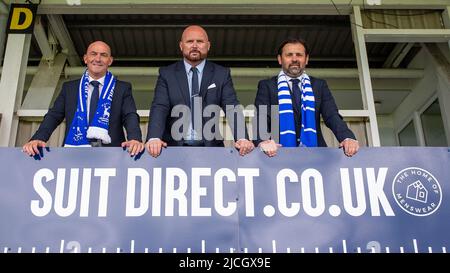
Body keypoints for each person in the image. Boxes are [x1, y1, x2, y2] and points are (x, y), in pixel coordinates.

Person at [145, 25, 254, 157]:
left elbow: (231, 107)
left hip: (211, 151)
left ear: (208, 46)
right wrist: (154, 138)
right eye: (190, 41)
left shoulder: (221, 74)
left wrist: (242, 138)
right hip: (173, 151)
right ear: (181, 46)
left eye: (200, 41)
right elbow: (160, 107)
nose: (195, 45)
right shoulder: (167, 74)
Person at [22, 41, 144, 157]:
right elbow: (54, 116)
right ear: (85, 58)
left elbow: (130, 115)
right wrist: (38, 138)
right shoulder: (70, 88)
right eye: (93, 54)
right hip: (74, 153)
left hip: (111, 153)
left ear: (110, 61)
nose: (97, 59)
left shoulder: (122, 88)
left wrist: (135, 139)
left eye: (103, 55)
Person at [254, 38, 359, 157]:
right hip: (277, 154)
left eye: (299, 55)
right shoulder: (267, 86)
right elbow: (261, 117)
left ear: (306, 59)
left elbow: (332, 115)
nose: (294, 59)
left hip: (316, 156)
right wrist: (262, 141)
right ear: (280, 59)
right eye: (289, 55)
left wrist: (347, 137)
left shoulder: (319, 85)